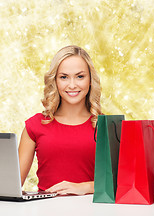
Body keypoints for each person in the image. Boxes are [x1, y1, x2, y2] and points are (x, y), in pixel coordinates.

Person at [18, 45, 102, 196]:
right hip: (45, 210)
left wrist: (85, 187)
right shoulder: (35, 126)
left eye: (80, 76)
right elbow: (13, 185)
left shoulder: (105, 127)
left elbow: (121, 183)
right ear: (55, 81)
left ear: (90, 80)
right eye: (64, 77)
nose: (72, 85)